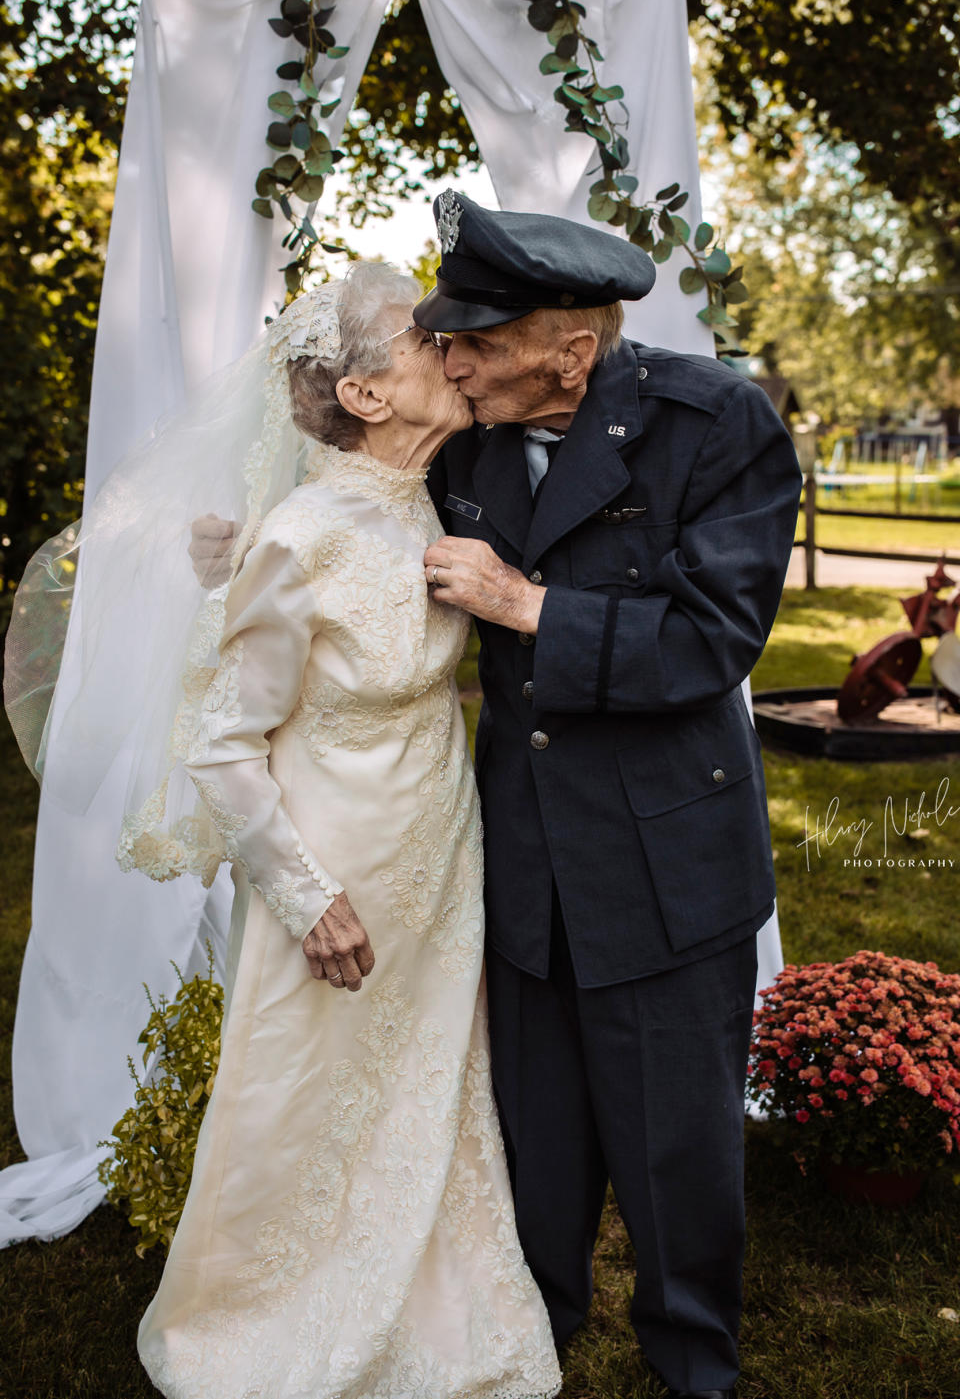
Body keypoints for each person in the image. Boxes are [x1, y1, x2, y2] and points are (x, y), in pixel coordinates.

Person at [10, 262, 561, 1399]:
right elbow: (224, 742)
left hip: (438, 849)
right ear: (363, 396)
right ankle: (263, 1323)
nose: (454, 349)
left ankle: (437, 1305)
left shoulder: (434, 495)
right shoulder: (301, 534)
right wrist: (308, 896)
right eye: (423, 340)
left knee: (430, 1084)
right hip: (336, 862)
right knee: (307, 1090)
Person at [408, 192, 802, 1399]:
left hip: (665, 859)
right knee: (539, 1142)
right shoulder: (462, 438)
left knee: (677, 1149)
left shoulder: (718, 422)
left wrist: (527, 606)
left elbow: (711, 642)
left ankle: (694, 1362)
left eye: (476, 341)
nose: (450, 359)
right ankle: (535, 1347)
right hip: (523, 853)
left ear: (569, 352)